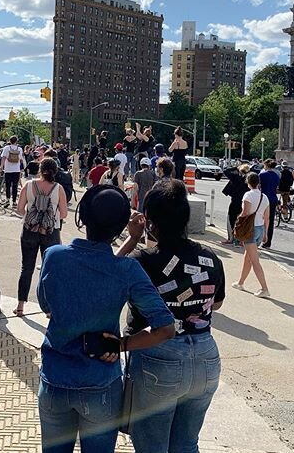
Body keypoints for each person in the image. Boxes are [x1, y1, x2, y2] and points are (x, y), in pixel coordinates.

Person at [36, 185, 175, 453]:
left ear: (83, 217)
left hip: (54, 379)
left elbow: (47, 306)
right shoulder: (126, 270)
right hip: (100, 383)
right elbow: (165, 328)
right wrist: (121, 345)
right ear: (120, 226)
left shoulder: (54, 256)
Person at [116, 179, 225, 453]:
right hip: (206, 356)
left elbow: (108, 279)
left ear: (151, 221)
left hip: (157, 355)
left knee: (152, 444)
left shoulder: (144, 260)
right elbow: (218, 303)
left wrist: (131, 238)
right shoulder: (211, 258)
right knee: (186, 445)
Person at [14, 158, 68, 317]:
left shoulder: (28, 185)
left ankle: (20, 306)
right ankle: (49, 308)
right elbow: (64, 214)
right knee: (49, 269)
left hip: (30, 231)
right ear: (55, 171)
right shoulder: (59, 189)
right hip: (50, 232)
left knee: (26, 268)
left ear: (40, 169)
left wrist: (33, 216)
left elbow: (19, 209)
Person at [232, 172, 270, 298]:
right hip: (259, 228)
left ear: (248, 183)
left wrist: (238, 221)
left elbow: (245, 213)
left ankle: (264, 288)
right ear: (258, 182)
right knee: (248, 256)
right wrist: (265, 233)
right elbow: (267, 217)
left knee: (254, 260)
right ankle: (240, 282)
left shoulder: (248, 195)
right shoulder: (264, 197)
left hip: (250, 230)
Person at [222, 163, 250, 245]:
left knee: (231, 219)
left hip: (235, 201)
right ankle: (241, 239)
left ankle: (231, 238)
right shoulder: (248, 179)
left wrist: (236, 168)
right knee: (242, 220)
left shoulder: (235, 177)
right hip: (244, 202)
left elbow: (226, 171)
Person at [258, 159, 279, 249]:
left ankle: (260, 239)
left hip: (264, 199)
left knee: (261, 220)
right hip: (273, 198)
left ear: (266, 165)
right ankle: (268, 242)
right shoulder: (276, 176)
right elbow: (277, 187)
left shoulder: (262, 175)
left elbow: (259, 186)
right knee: (270, 221)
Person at [0, 136, 25, 207]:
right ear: (16, 141)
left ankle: (8, 200)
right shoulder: (19, 149)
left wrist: (1, 166)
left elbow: (3, 158)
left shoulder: (6, 148)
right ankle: (14, 202)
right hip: (16, 170)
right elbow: (20, 159)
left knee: (7, 185)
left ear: (10, 141)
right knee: (15, 186)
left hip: (8, 170)